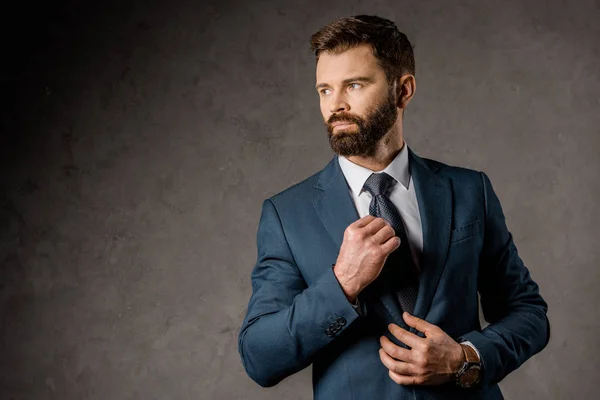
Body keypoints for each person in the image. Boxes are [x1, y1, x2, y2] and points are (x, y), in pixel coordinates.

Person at [237, 14, 550, 400]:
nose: (335, 105)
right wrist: (342, 283)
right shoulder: (287, 215)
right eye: (324, 90)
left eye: (353, 85)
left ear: (403, 90)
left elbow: (529, 314)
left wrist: (465, 357)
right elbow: (259, 357)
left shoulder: (470, 190)